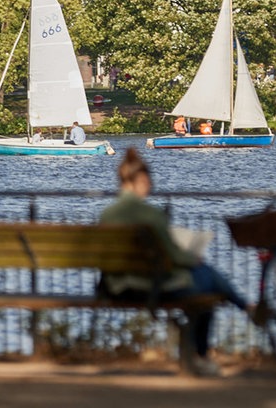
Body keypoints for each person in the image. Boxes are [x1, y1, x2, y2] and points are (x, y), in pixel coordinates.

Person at [99, 148, 251, 377]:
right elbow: (173, 256)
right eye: (149, 181)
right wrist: (192, 257)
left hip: (117, 286)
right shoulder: (151, 215)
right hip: (152, 287)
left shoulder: (107, 215)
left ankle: (243, 309)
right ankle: (204, 353)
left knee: (205, 277)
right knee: (206, 280)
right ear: (140, 180)